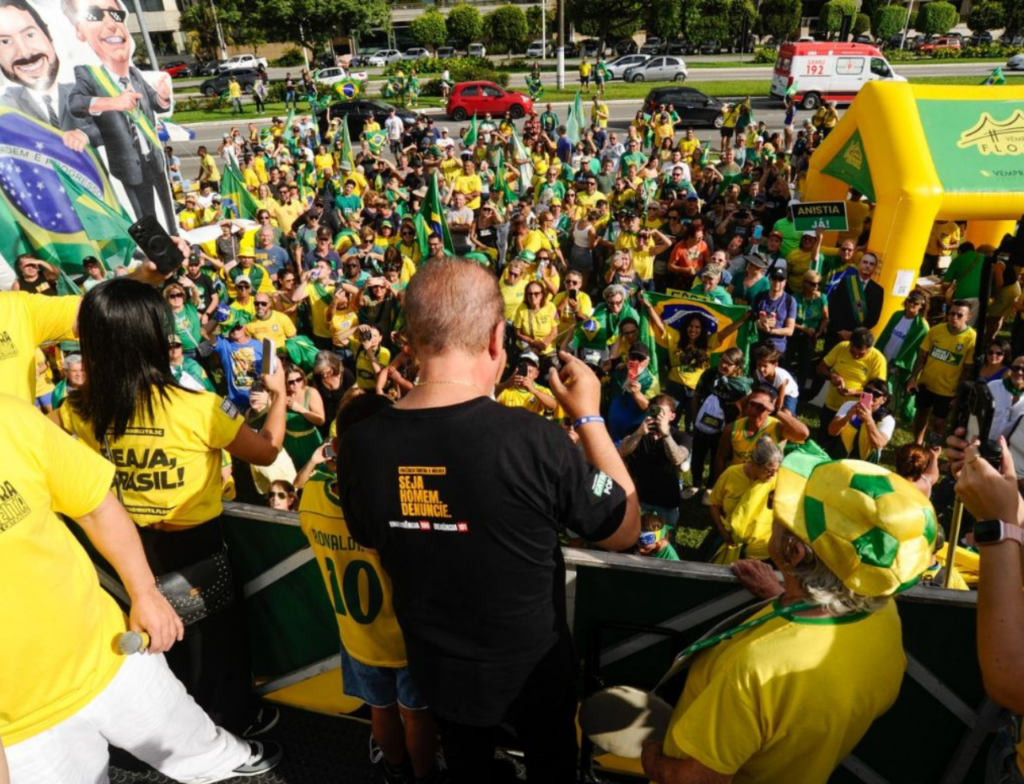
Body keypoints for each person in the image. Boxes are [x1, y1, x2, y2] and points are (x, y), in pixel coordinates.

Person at [337, 258, 640, 784]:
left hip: (435, 668)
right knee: (551, 768)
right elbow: (623, 525)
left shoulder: (360, 444)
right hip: (535, 669)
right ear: (498, 339)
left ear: (409, 339)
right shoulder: (533, 439)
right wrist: (588, 417)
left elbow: (368, 535)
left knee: (466, 765)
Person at [0, 394, 281, 784]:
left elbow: (94, 505)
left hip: (112, 649)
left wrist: (144, 591)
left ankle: (224, 757)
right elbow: (265, 452)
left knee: (188, 729)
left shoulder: (11, 417)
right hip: (22, 729)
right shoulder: (198, 406)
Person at [58, 278, 288, 737]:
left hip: (128, 547)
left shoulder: (80, 408)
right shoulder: (199, 408)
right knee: (213, 648)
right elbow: (266, 451)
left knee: (160, 647)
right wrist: (278, 395)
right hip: (197, 547)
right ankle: (229, 731)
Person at [643, 454, 933, 784]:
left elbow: (696, 780)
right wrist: (780, 596)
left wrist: (654, 762)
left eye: (786, 513)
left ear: (795, 552)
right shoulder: (883, 614)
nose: (775, 509)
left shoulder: (757, 671)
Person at [301, 395, 442, 784]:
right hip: (406, 634)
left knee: (380, 709)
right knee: (415, 713)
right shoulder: (403, 502)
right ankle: (425, 776)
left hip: (356, 634)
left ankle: (394, 772)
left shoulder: (313, 495)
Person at [65, 0, 176, 229]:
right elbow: (75, 103)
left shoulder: (134, 74)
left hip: (153, 158)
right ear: (78, 30)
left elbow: (155, 103)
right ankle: (156, 253)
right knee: (146, 219)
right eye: (94, 15)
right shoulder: (89, 75)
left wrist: (163, 97)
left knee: (168, 212)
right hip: (128, 164)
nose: (112, 24)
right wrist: (112, 103)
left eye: (116, 15)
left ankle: (174, 235)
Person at [907, 300, 976, 445]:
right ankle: (917, 444)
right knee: (921, 414)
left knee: (939, 422)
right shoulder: (936, 330)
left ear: (968, 317)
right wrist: (913, 378)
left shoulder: (971, 338)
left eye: (959, 314)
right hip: (926, 383)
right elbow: (922, 356)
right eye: (951, 313)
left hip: (947, 390)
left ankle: (933, 448)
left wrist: (958, 393)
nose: (954, 317)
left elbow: (968, 369)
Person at [618, 394, 690, 528]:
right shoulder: (636, 431)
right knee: (639, 533)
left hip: (668, 500)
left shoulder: (680, 437)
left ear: (672, 416)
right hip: (641, 497)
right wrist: (639, 433)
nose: (657, 416)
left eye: (662, 413)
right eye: (654, 411)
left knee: (666, 536)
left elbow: (677, 458)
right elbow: (622, 451)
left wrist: (665, 435)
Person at [708, 435, 781, 564]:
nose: (774, 475)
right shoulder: (731, 474)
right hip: (727, 539)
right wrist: (722, 531)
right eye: (769, 470)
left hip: (759, 550)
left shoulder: (777, 481)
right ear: (755, 463)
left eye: (777, 470)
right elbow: (714, 504)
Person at [817, 327, 888, 448]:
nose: (855, 356)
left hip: (856, 412)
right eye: (852, 351)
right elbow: (820, 368)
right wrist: (832, 376)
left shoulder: (878, 360)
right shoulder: (841, 347)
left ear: (870, 348)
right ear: (849, 343)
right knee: (822, 445)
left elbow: (878, 393)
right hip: (831, 406)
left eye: (861, 354)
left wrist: (854, 393)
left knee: (844, 448)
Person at [715, 384, 809, 474]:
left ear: (769, 408)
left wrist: (776, 411)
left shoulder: (777, 427)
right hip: (740, 479)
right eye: (752, 404)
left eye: (761, 406)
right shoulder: (732, 429)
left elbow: (803, 433)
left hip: (766, 481)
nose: (754, 410)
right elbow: (721, 457)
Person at [875, 289, 928, 424]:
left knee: (891, 397)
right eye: (910, 300)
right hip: (883, 359)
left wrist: (911, 373)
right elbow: (884, 335)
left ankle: (885, 422)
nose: (911, 304)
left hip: (898, 367)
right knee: (877, 390)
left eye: (916, 303)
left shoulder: (922, 327)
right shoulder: (897, 315)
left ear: (922, 306)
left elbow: (920, 354)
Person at [825, 251, 883, 351]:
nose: (867, 266)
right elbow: (834, 306)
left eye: (871, 264)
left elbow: (874, 318)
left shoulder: (878, 290)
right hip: (837, 332)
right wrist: (840, 330)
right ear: (859, 264)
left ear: (875, 268)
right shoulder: (846, 281)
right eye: (865, 262)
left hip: (857, 338)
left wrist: (853, 334)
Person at [827, 377, 896, 462]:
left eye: (876, 394)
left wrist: (869, 420)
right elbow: (832, 431)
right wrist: (848, 416)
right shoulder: (849, 405)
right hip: (839, 458)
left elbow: (879, 444)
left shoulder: (887, 419)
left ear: (884, 400)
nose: (870, 395)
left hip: (865, 465)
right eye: (867, 390)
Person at [750, 267, 797, 354]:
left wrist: (771, 331)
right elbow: (750, 319)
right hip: (757, 345)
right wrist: (760, 323)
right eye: (774, 279)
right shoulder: (759, 297)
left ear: (785, 282)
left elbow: (790, 330)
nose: (777, 282)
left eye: (781, 279)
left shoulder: (790, 301)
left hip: (777, 348)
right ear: (769, 279)